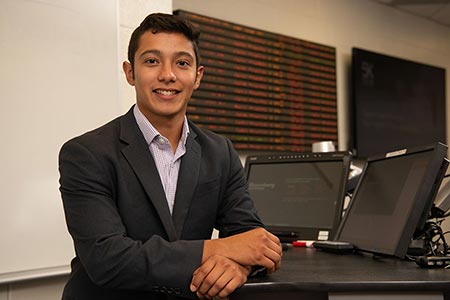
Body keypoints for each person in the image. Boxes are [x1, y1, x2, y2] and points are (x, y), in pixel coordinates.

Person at [58, 12, 282, 300]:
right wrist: (219, 249)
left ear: (197, 76)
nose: (168, 74)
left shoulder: (220, 152)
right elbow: (107, 259)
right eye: (152, 61)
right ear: (130, 72)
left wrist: (238, 267)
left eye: (182, 63)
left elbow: (251, 237)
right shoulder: (86, 154)